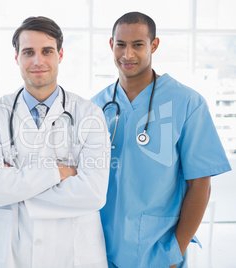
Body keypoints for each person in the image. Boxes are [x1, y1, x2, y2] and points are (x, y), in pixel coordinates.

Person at [91, 12, 232, 268]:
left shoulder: (187, 103)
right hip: (99, 248)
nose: (128, 54)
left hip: (157, 250)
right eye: (121, 44)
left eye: (138, 45)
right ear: (111, 45)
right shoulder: (96, 107)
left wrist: (174, 251)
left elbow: (200, 184)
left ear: (154, 45)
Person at [0, 16, 110, 268]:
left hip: (74, 255)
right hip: (11, 255)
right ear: (17, 58)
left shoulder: (90, 114)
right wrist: (60, 172)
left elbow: (94, 193)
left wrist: (17, 190)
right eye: (28, 52)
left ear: (60, 54)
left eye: (47, 51)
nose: (38, 61)